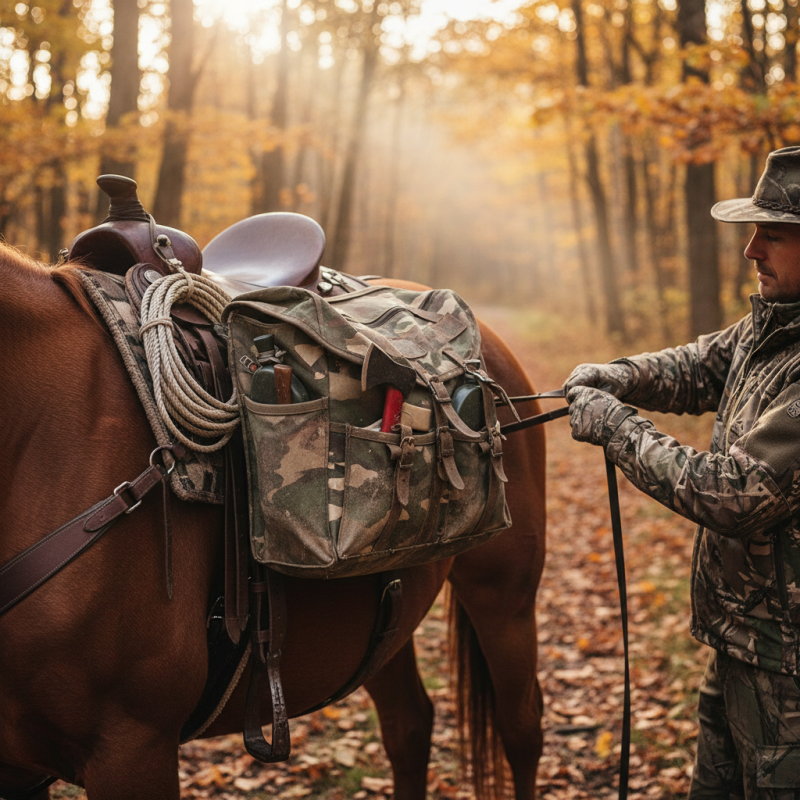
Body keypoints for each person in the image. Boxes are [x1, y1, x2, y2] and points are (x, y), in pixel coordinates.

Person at [564, 145, 800, 799]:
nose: (752, 250)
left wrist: (618, 428)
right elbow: (699, 366)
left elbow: (738, 494)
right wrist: (615, 375)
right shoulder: (774, 326)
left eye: (772, 235)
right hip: (743, 643)